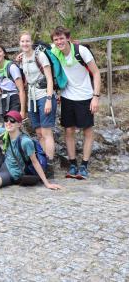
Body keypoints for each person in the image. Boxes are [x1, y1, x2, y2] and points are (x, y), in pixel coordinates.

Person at [51, 26, 101, 179]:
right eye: (56, 39)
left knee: (87, 131)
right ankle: (73, 164)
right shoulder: (54, 50)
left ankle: (84, 166)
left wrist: (96, 96)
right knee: (69, 131)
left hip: (85, 96)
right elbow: (38, 48)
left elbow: (96, 73)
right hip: (67, 96)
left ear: (68, 38)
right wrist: (22, 54)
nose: (59, 42)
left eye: (61, 38)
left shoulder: (81, 51)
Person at [19, 32, 57, 179]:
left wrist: (49, 99)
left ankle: (50, 165)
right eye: (22, 41)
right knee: (39, 132)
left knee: (47, 132)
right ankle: (43, 163)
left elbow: (49, 79)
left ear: (31, 42)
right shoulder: (22, 58)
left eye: (27, 41)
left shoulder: (40, 55)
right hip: (32, 97)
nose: (25, 44)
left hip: (43, 95)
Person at [0, 43, 26, 120]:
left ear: (4, 53)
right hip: (4, 100)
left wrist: (22, 111)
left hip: (15, 98)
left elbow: (21, 90)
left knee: (12, 122)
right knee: (7, 124)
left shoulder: (12, 67)